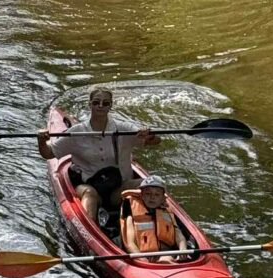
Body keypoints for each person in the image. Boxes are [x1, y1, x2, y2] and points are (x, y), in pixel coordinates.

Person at [36, 87, 159, 222]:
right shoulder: (76, 132)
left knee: (151, 184)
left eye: (105, 103)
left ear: (110, 106)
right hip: (88, 186)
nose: (100, 106)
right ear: (90, 104)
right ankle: (91, 227)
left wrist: (150, 135)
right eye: (96, 102)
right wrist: (41, 141)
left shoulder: (124, 128)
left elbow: (155, 141)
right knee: (90, 194)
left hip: (119, 188)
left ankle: (158, 224)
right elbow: (48, 153)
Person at [120, 175, 185, 257]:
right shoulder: (131, 211)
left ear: (162, 198)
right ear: (142, 195)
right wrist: (141, 259)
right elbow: (130, 243)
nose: (152, 197)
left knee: (167, 259)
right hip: (142, 255)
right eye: (148, 193)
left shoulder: (167, 211)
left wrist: (183, 250)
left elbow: (179, 235)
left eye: (157, 194)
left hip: (166, 255)